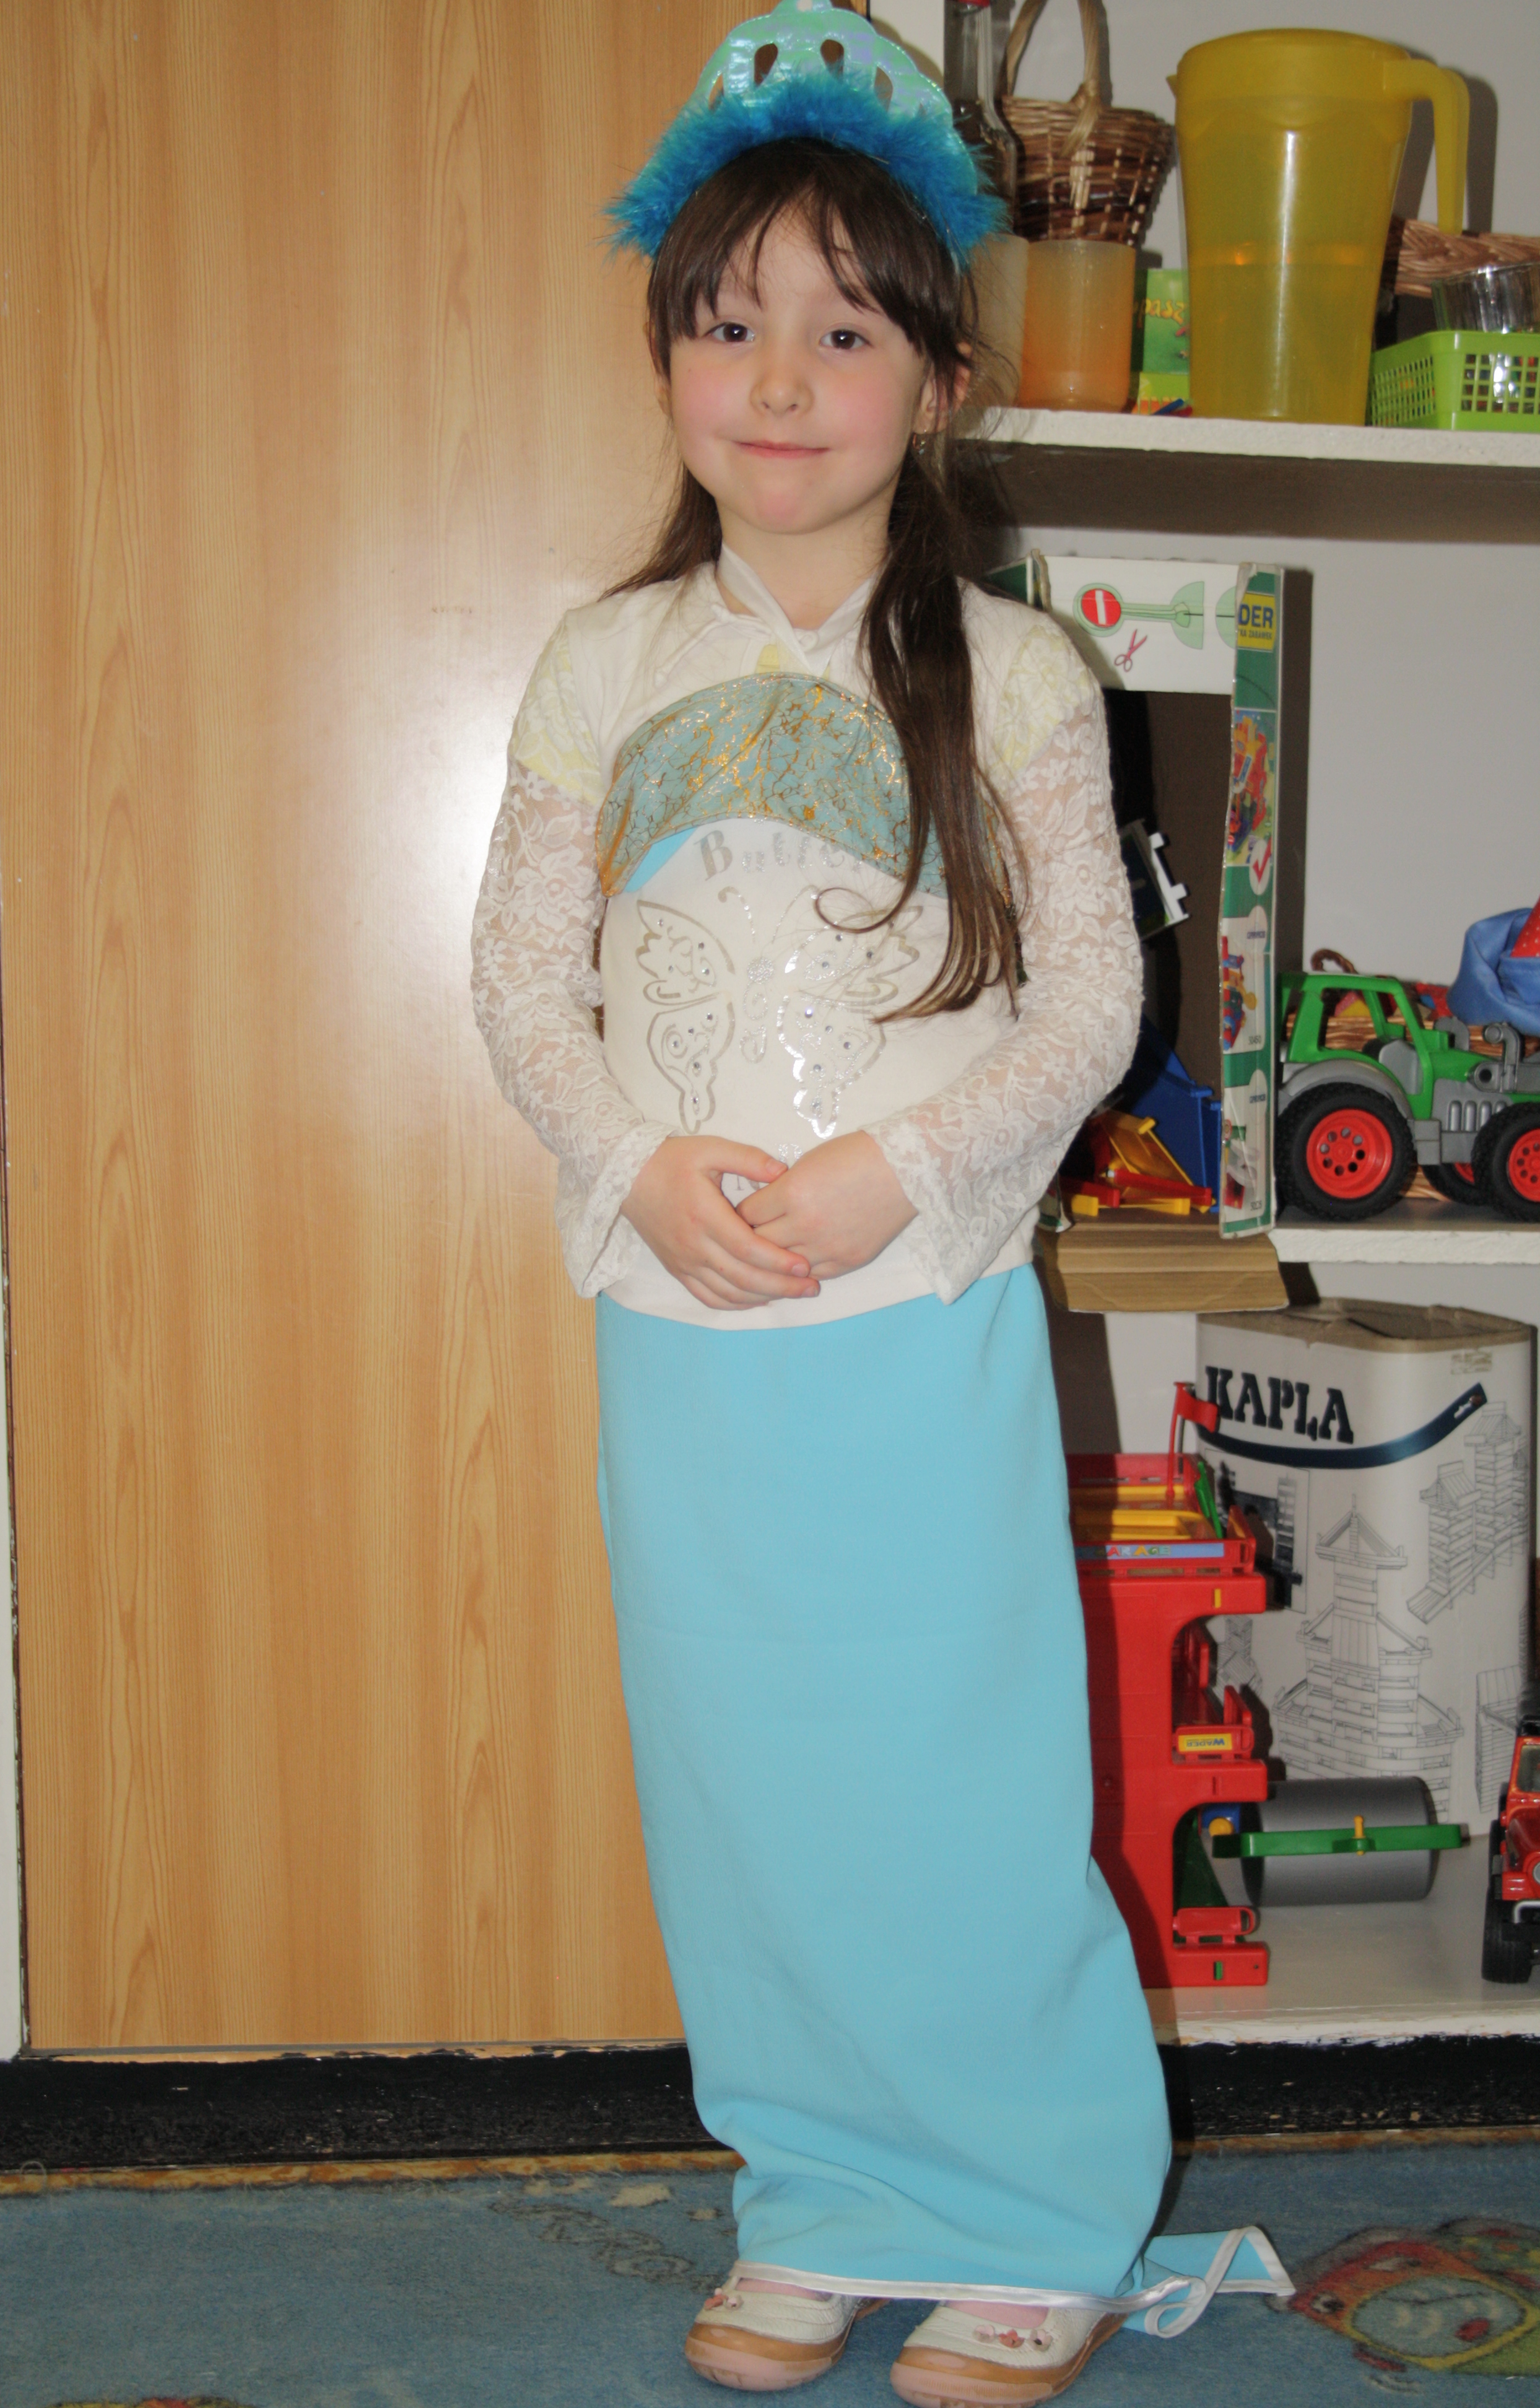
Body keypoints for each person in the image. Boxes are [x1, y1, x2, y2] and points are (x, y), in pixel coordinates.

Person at [472, 4, 1288, 2397]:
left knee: (955, 1774)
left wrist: (887, 1175)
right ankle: (823, 2194)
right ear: (664, 356)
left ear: (940, 374)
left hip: (912, 1307)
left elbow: (1092, 1002)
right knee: (740, 1785)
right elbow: (517, 975)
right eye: (730, 322)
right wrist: (638, 1162)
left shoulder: (1016, 672)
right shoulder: (600, 663)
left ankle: (1027, 2207)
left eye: (846, 329)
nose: (780, 378)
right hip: (676, 1319)